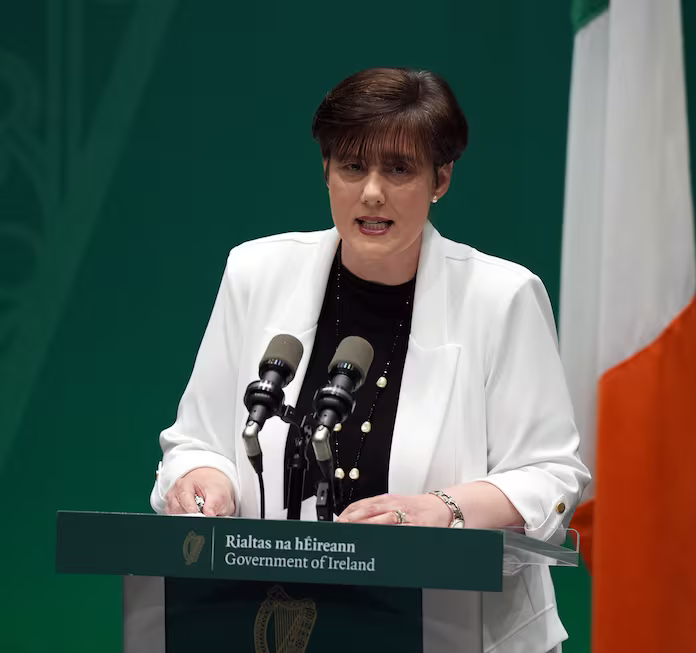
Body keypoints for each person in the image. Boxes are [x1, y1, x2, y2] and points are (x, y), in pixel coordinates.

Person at [149, 67, 590, 653]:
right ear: (327, 173)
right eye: (353, 167)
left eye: (399, 169)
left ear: (442, 178)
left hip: (455, 631)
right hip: (280, 624)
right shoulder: (256, 273)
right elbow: (198, 442)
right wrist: (202, 479)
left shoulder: (500, 297)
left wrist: (442, 510)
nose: (372, 192)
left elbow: (551, 475)